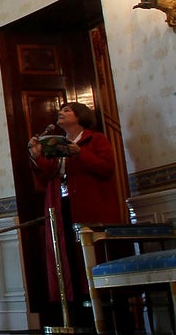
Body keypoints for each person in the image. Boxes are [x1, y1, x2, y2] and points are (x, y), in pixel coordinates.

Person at [27, 102, 124, 317]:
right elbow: (51, 173)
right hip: (61, 205)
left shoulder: (95, 139)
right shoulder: (56, 143)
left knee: (90, 254)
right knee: (66, 251)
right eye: (60, 111)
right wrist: (37, 156)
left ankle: (101, 305)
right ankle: (75, 305)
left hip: (90, 205)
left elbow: (106, 168)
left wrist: (80, 153)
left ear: (80, 116)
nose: (60, 113)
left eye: (67, 110)